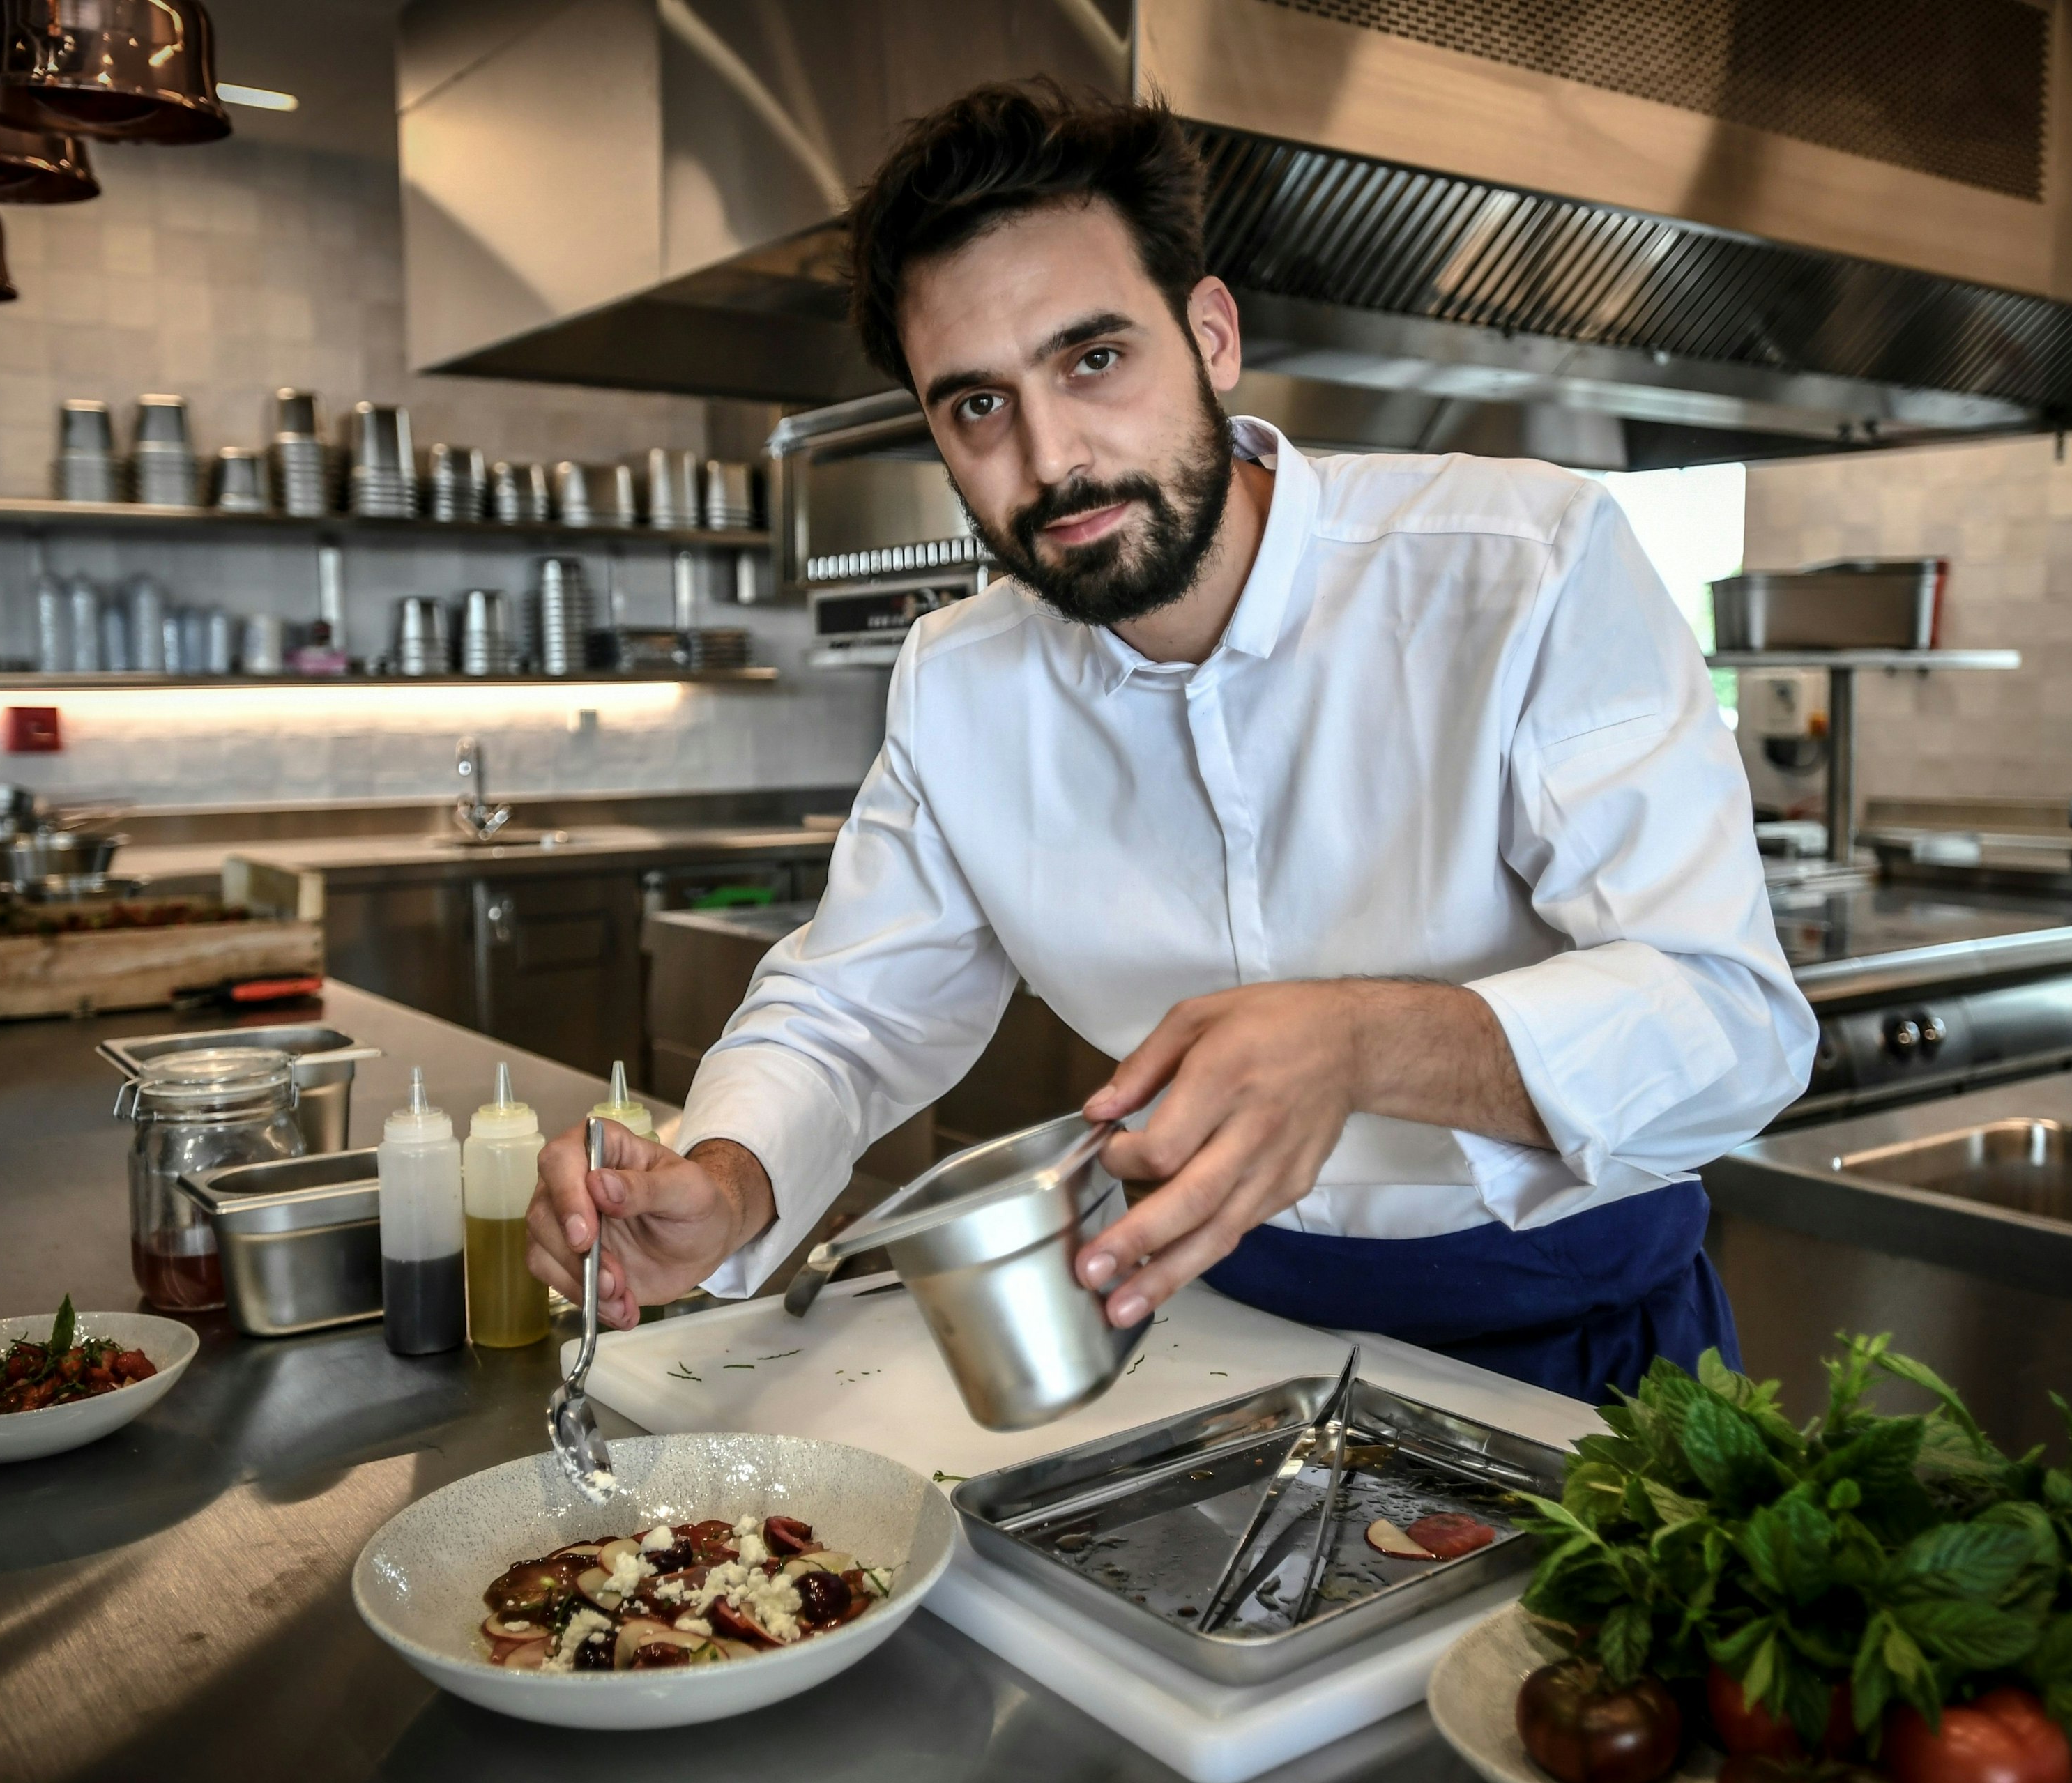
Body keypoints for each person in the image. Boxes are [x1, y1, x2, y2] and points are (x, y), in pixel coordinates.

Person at [526, 81, 1815, 1403]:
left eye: (1094, 360)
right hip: (1216, 1352)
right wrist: (729, 1182)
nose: (1054, 459)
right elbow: (852, 1012)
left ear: (1209, 335)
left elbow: (1736, 1024)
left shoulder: (1524, 566)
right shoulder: (960, 679)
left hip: (1579, 1349)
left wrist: (1368, 1041)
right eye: (978, 406)